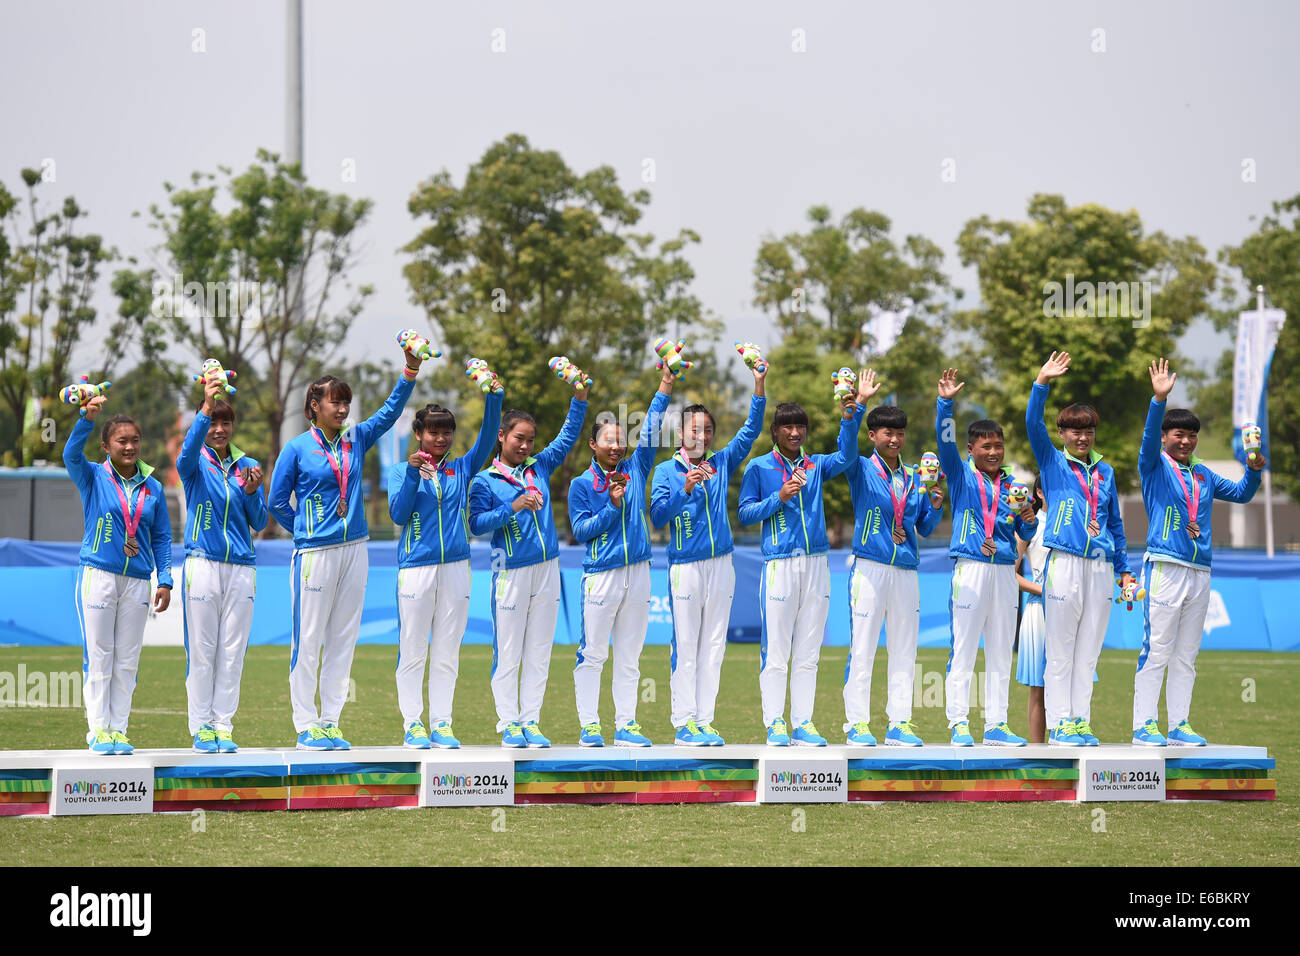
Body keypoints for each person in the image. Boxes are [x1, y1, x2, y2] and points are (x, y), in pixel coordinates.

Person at [269, 348, 424, 750]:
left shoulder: (356, 438)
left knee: (343, 638)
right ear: (314, 406)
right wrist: (305, 531)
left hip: (356, 549)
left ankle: (330, 721)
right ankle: (305, 725)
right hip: (314, 554)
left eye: (346, 402)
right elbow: (276, 502)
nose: (343, 409)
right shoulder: (297, 448)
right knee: (308, 638)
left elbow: (390, 413)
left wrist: (409, 370)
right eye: (335, 402)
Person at [1132, 357, 1263, 746]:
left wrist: (1254, 468)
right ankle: (1144, 725)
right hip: (1165, 566)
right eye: (1177, 434)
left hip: (1200, 570)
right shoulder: (1153, 465)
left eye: (1191, 435)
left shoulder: (1203, 474)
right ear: (1165, 437)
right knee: (1157, 649)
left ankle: (1179, 724)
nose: (1185, 440)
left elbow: (1241, 493)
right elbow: (1147, 439)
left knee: (1186, 655)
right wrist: (1158, 401)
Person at [738, 371, 864, 746]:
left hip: (817, 565)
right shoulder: (759, 468)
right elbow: (745, 514)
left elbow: (848, 455)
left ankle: (803, 722)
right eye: (787, 427)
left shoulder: (817, 465)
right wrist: (779, 497)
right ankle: (775, 722)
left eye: (800, 427)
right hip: (779, 564)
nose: (795, 433)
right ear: (775, 431)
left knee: (809, 652)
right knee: (776, 651)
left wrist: (849, 416)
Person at [650, 361, 767, 746]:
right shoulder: (667, 471)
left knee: (715, 645)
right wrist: (684, 488)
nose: (702, 435)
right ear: (681, 433)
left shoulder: (721, 462)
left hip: (723, 565)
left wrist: (759, 384)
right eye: (694, 429)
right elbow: (657, 516)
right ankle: (683, 722)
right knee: (686, 643)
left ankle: (704, 720)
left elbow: (750, 433)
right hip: (685, 566)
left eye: (708, 430)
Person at [469, 374, 588, 748]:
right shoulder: (484, 480)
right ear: (501, 437)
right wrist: (513, 506)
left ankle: (531, 721)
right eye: (518, 438)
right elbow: (476, 524)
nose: (525, 445)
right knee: (508, 650)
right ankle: (508, 722)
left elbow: (568, 436)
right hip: (510, 571)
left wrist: (580, 399)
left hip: (547, 568)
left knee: (539, 649)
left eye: (530, 440)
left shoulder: (539, 467)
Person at [1026, 351, 1135, 747]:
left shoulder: (1105, 471)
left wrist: (1124, 569)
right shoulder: (1053, 463)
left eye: (1088, 430)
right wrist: (1042, 382)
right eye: (1074, 430)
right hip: (1064, 563)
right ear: (1063, 434)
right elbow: (1031, 424)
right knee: (1061, 649)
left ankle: (1080, 721)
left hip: (1101, 567)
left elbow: (1116, 523)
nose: (1082, 436)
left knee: (1088, 650)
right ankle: (1059, 724)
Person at [388, 385, 503, 749]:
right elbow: (398, 513)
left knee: (447, 652)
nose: (440, 437)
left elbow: (487, 438)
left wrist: (494, 398)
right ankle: (413, 724)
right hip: (417, 570)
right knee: (413, 649)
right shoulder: (399, 470)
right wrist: (411, 475)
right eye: (433, 431)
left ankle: (441, 723)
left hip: (456, 568)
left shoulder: (461, 467)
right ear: (419, 434)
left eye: (446, 431)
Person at [568, 365, 675, 747]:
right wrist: (612, 508)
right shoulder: (583, 483)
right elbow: (581, 532)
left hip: (640, 572)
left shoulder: (637, 467)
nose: (617, 446)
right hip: (601, 575)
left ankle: (627, 724)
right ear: (593, 446)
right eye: (608, 441)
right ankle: (590, 725)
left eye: (620, 440)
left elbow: (650, 428)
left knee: (630, 656)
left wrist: (665, 384)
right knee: (593, 653)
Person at [63, 392, 173, 754]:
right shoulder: (93, 477)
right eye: (122, 440)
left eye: (135, 440)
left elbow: (161, 536)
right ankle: (98, 730)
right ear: (106, 446)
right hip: (98, 574)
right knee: (100, 654)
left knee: (127, 658)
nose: (130, 446)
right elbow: (69, 455)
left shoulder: (153, 486)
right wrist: (87, 418)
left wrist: (166, 578)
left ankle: (119, 730)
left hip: (139, 581)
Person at [840, 378, 944, 747]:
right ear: (873, 436)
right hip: (869, 566)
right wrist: (856, 408)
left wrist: (934, 503)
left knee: (905, 649)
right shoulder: (860, 469)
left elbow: (926, 528)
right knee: (863, 647)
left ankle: (899, 722)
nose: (895, 439)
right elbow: (844, 448)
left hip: (906, 571)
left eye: (900, 433)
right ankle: (857, 723)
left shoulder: (915, 476)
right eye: (887, 433)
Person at [936, 368, 1037, 746]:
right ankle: (959, 723)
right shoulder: (961, 476)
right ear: (971, 450)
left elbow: (1024, 533)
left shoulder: (1015, 488)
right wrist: (945, 404)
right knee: (963, 648)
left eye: (998, 446)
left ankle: (996, 724)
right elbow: (944, 444)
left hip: (1004, 572)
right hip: (971, 568)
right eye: (985, 446)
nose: (993, 452)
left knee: (999, 651)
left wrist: (1028, 520)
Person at [176, 374, 268, 754]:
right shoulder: (194, 462)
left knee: (232, 651)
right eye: (213, 422)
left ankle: (223, 726)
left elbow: (260, 521)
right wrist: (205, 405)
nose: (218, 429)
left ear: (233, 426)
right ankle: (201, 727)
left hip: (242, 568)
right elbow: (184, 455)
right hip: (202, 563)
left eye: (224, 422)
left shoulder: (248, 465)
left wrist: (249, 492)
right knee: (203, 649)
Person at [1014, 476, 1049, 743]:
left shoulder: (1075, 524)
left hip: (1071, 611)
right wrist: (1043, 590)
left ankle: (1066, 748)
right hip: (1039, 610)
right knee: (1039, 687)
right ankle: (1040, 754)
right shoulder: (1030, 526)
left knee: (1073, 683)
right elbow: (1010, 573)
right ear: (1038, 491)